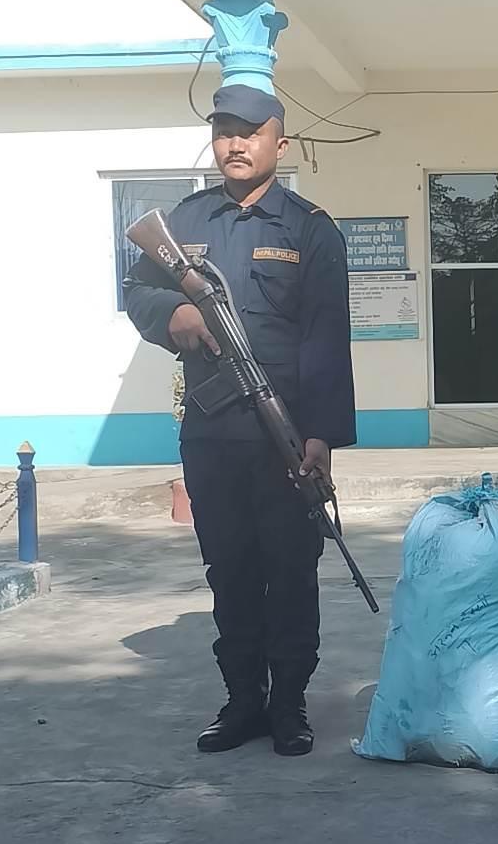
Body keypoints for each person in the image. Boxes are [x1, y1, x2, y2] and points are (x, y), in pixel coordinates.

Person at [125, 83, 356, 757]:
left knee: (291, 570)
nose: (235, 143)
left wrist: (321, 437)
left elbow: (327, 339)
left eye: (250, 133)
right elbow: (136, 290)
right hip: (212, 434)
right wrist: (173, 313)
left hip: (285, 437)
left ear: (280, 144)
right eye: (224, 131)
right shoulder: (185, 222)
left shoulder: (309, 228)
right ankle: (243, 702)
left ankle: (288, 705)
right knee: (229, 571)